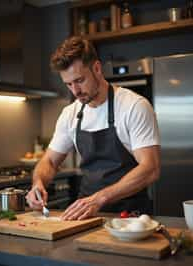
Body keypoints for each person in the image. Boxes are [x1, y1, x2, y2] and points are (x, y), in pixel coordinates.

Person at [26, 36, 160, 220]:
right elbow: (49, 161)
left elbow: (150, 168)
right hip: (86, 215)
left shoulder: (133, 106)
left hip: (130, 217)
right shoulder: (70, 114)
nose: (75, 91)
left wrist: (100, 198)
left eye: (80, 80)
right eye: (68, 84)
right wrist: (38, 183)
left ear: (97, 68)